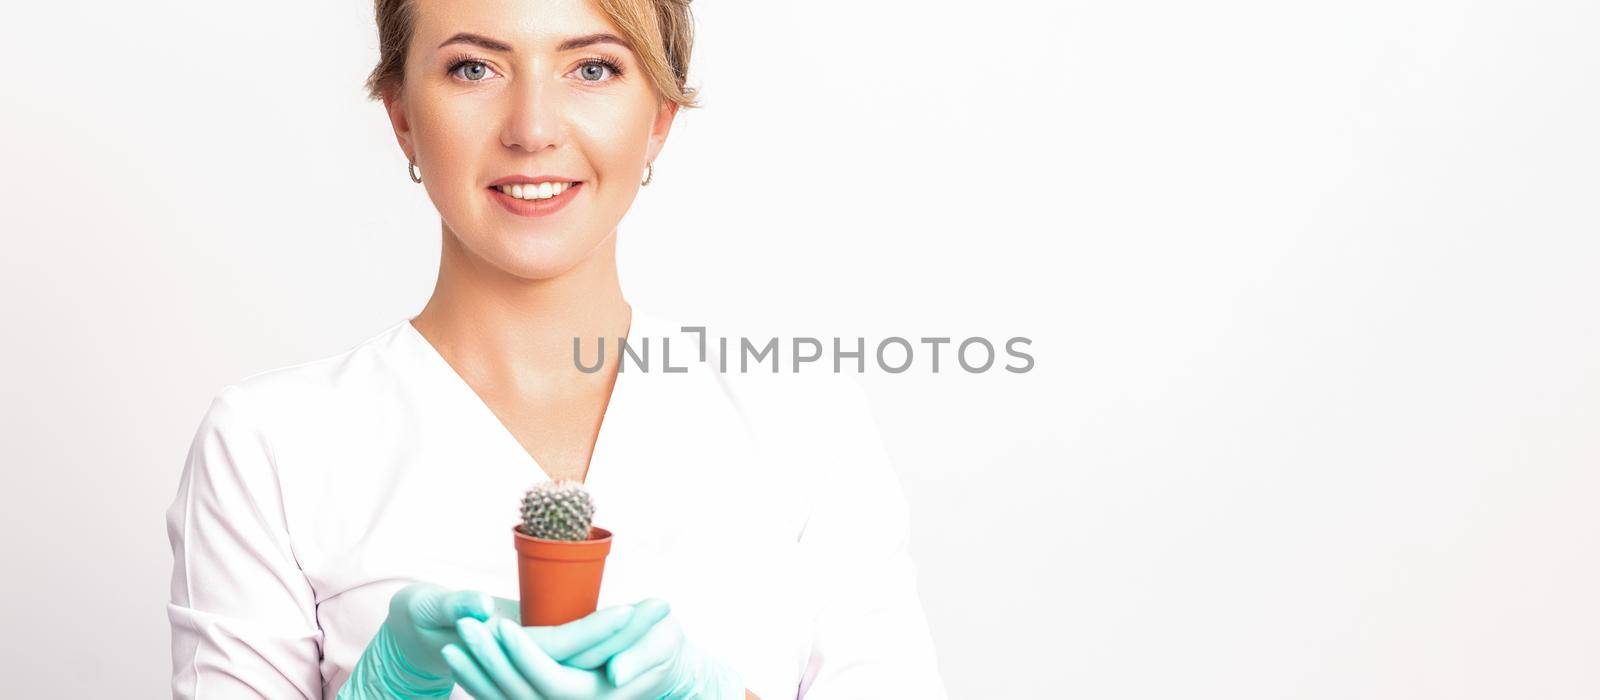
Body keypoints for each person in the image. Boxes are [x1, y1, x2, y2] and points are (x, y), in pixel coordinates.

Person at [164, 0, 946, 698]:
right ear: (401, 111)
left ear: (661, 116)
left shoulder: (803, 426)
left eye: (593, 67)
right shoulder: (271, 445)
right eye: (474, 67)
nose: (532, 128)